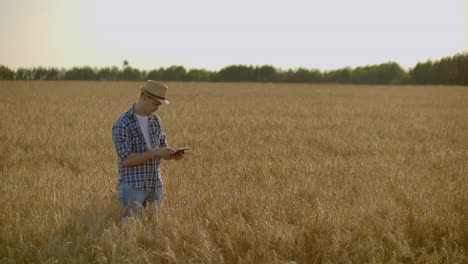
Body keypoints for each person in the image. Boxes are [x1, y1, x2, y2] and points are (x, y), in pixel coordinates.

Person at [112, 80, 185, 218]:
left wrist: (170, 154)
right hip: (133, 187)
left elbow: (162, 147)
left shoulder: (156, 120)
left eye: (159, 105)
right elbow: (126, 160)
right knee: (129, 231)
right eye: (155, 104)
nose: (157, 108)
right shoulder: (123, 123)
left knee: (154, 230)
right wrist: (156, 152)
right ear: (143, 96)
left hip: (155, 186)